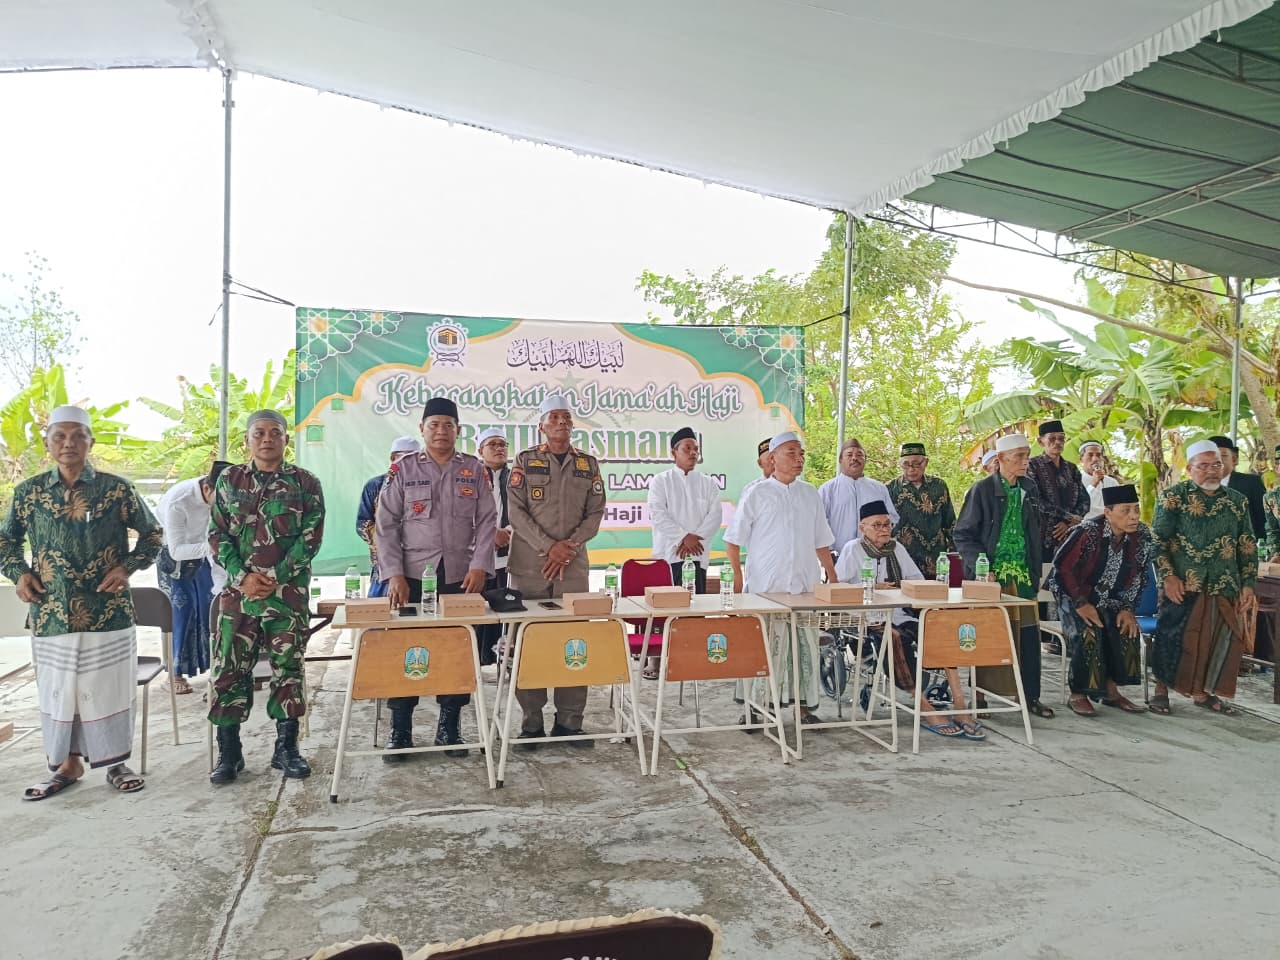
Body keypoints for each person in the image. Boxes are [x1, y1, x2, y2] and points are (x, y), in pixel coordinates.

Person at [2, 405, 162, 800]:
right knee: (59, 690)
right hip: (51, 612)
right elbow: (4, 541)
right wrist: (18, 574)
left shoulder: (116, 489)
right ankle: (66, 766)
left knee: (108, 687)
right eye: (60, 436)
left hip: (107, 612)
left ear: (91, 442)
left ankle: (115, 762)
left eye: (77, 436)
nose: (69, 443)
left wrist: (127, 568)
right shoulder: (29, 493)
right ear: (47, 444)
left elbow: (153, 535)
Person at [207, 409, 325, 785]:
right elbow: (217, 534)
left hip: (285, 596)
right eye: (259, 433)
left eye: (275, 432)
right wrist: (242, 577)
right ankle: (230, 754)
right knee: (229, 671)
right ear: (248, 439)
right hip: (238, 597)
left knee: (288, 669)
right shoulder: (229, 480)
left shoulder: (305, 483)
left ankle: (286, 749)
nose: (267, 439)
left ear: (286, 440)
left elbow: (311, 538)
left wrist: (274, 577)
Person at [375, 397, 496, 759]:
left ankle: (449, 728)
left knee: (457, 649)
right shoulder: (403, 470)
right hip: (411, 576)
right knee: (404, 650)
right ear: (422, 430)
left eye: (448, 425)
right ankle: (401, 731)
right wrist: (393, 573)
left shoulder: (474, 470)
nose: (441, 431)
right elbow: (385, 524)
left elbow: (489, 520)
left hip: (460, 576)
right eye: (434, 425)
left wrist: (480, 565)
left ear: (458, 430)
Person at [507, 394, 606, 746]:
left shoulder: (588, 465)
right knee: (528, 643)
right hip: (530, 567)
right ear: (541, 426)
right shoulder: (524, 460)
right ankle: (531, 723)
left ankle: (570, 724)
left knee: (572, 642)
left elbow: (596, 513)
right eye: (554, 418)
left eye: (566, 418)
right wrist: (549, 547)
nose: (561, 423)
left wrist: (568, 547)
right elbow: (516, 512)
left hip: (573, 568)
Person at [835, 501, 982, 740]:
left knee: (939, 632)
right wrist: (871, 586)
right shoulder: (853, 549)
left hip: (900, 612)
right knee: (894, 640)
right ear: (863, 527)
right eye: (877, 525)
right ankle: (924, 707)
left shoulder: (897, 548)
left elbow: (916, 580)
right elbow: (839, 588)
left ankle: (960, 705)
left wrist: (901, 587)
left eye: (887, 524)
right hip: (868, 618)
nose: (884, 529)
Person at [725, 431, 838, 726]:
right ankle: (755, 709)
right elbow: (733, 539)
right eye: (791, 453)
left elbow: (821, 540)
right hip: (766, 588)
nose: (798, 459)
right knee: (762, 649)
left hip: (803, 588)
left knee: (804, 651)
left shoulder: (810, 493)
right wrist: (737, 577)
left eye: (801, 454)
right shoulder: (757, 493)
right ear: (772, 458)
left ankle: (803, 710)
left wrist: (833, 576)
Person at [1149, 439, 1257, 716]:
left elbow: (1246, 543)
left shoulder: (1237, 502)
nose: (1211, 471)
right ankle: (1161, 690)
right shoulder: (1173, 497)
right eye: (1204, 466)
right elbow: (1156, 541)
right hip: (1184, 583)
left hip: (1224, 582)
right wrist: (1168, 577)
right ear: (1189, 469)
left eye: (1217, 465)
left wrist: (1248, 584)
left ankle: (1202, 693)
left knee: (1216, 640)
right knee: (1173, 636)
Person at [953, 433, 1054, 719]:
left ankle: (1030, 696)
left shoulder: (1029, 489)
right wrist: (981, 565)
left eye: (1027, 455)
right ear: (1000, 460)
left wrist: (1034, 570)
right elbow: (963, 534)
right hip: (990, 577)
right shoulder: (982, 490)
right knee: (987, 636)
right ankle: (981, 696)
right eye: (1019, 456)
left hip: (1023, 574)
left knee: (1028, 638)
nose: (1026, 461)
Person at [1047, 484, 1153, 717]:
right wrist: (1080, 603)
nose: (1134, 516)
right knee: (1088, 630)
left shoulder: (1143, 535)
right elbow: (1063, 569)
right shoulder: (1088, 532)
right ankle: (1078, 694)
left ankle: (1111, 692)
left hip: (1113, 598)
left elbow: (1140, 574)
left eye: (1136, 509)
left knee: (1126, 628)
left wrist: (1128, 608)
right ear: (1108, 513)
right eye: (1125, 511)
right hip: (1072, 594)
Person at [155, 459, 232, 693]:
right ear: (207, 489)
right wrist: (212, 547)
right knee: (180, 612)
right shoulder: (179, 502)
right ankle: (174, 674)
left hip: (205, 552)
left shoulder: (222, 496)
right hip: (174, 558)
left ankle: (217, 670)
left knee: (210, 608)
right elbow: (176, 550)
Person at [649, 426, 722, 593]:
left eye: (696, 449)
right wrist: (683, 538)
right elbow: (658, 515)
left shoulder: (708, 483)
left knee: (695, 613)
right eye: (687, 448)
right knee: (668, 612)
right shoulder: (661, 481)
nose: (693, 453)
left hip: (698, 555)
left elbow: (715, 516)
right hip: (669, 556)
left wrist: (694, 541)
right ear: (674, 452)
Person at [357, 436, 420, 597]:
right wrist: (388, 541)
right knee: (379, 614)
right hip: (384, 563)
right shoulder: (375, 485)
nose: (409, 463)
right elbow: (362, 523)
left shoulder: (427, 485)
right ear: (393, 458)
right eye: (404, 457)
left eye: (414, 458)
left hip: (419, 562)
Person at [818, 438, 898, 560]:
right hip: (839, 556)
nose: (854, 458)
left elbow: (892, 518)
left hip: (874, 555)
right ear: (840, 460)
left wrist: (881, 539)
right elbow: (819, 523)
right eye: (849, 455)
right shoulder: (828, 489)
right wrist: (829, 551)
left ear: (865, 460)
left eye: (859, 455)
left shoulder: (879, 488)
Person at [886, 442, 956, 580]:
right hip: (903, 558)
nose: (911, 469)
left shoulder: (939, 486)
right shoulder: (890, 488)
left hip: (935, 560)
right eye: (906, 464)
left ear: (926, 462)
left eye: (916, 464)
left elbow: (950, 522)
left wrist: (954, 551)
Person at [475, 427, 512, 666]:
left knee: (507, 611)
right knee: (478, 613)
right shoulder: (471, 476)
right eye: (493, 444)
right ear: (480, 450)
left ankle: (506, 659)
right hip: (477, 560)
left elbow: (528, 511)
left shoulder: (518, 477)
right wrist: (491, 534)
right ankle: (475, 662)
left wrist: (509, 532)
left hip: (509, 558)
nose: (499, 448)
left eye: (503, 444)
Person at [1026, 419, 1088, 559]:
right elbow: (1035, 499)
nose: (1057, 442)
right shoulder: (1032, 466)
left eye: (1061, 438)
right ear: (1041, 442)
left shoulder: (1071, 468)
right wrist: (1067, 516)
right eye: (1052, 439)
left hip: (1070, 534)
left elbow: (1085, 500)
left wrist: (1069, 522)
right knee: (1044, 577)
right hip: (1043, 536)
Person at [1210, 435, 1266, 542]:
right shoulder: (1197, 487)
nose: (1217, 461)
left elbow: (1263, 521)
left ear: (1234, 459)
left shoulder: (1251, 483)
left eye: (1223, 456)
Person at [1078, 440, 1118, 520]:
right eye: (1090, 455)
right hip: (1084, 527)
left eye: (1098, 455)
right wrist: (1093, 484)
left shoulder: (1112, 482)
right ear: (1081, 459)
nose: (1095, 459)